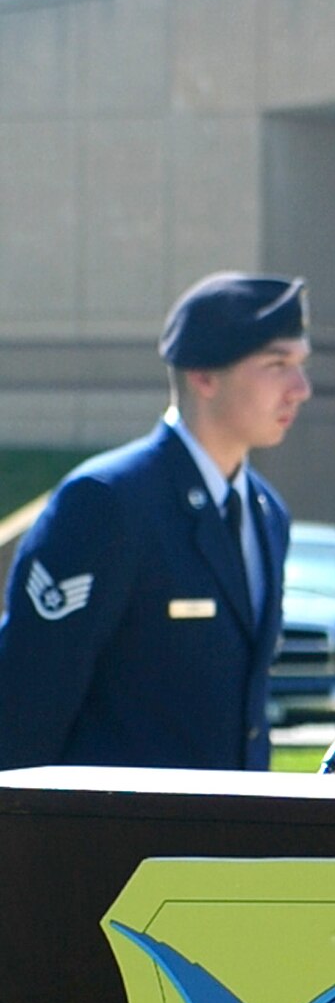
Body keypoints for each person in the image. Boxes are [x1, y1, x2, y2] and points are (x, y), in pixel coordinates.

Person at [0, 271, 311, 771]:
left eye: (301, 365)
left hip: (224, 839)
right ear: (203, 376)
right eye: (277, 365)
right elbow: (27, 707)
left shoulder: (265, 512)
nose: (301, 388)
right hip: (113, 841)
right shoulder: (107, 502)